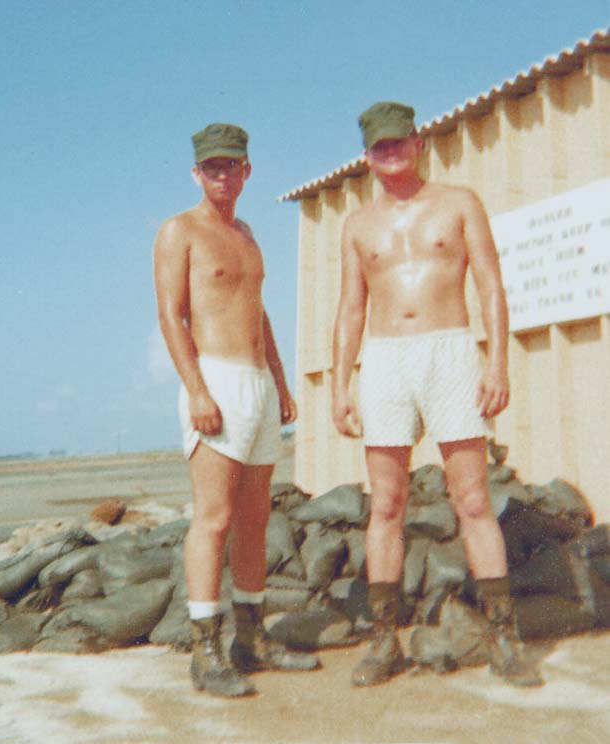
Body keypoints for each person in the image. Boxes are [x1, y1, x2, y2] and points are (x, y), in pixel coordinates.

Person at [331, 101, 542, 688]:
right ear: (366, 154)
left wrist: (495, 362)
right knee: (386, 505)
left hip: (449, 351)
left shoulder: (459, 203)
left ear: (418, 142)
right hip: (385, 358)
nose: (390, 152)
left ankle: (505, 638)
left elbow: (491, 286)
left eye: (399, 142)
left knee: (472, 499)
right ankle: (383, 641)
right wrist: (341, 382)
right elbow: (351, 308)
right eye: (379, 146)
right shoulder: (358, 224)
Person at [153, 123, 320, 698]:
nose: (223, 175)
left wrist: (280, 378)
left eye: (233, 165)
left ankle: (253, 639)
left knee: (255, 519)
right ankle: (206, 653)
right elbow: (171, 315)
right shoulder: (180, 231)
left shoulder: (248, 235)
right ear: (197, 173)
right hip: (216, 382)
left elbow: (259, 311)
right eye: (212, 167)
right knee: (214, 518)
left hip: (258, 386)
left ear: (248, 171)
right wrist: (197, 389)